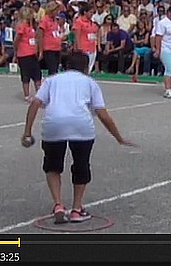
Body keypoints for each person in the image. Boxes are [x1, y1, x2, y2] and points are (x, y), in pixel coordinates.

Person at [21, 51, 135, 224]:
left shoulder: (52, 80)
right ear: (86, 67)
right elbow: (102, 114)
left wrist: (27, 132)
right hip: (81, 126)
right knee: (81, 165)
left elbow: (35, 103)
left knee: (52, 165)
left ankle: (58, 204)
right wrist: (119, 137)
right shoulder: (90, 83)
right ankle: (76, 209)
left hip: (54, 125)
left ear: (65, 66)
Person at [13, 6, 42, 102]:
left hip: (32, 52)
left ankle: (39, 94)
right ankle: (27, 95)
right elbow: (17, 40)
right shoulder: (22, 26)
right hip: (24, 54)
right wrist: (16, 52)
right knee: (26, 75)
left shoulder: (31, 26)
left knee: (37, 73)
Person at [73, 3, 100, 75]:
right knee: (83, 68)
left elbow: (96, 33)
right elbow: (77, 35)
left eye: (93, 13)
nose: (92, 14)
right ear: (85, 12)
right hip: (83, 48)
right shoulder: (79, 21)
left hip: (92, 48)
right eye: (90, 12)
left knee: (89, 68)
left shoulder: (92, 23)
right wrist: (78, 47)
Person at [37, 1, 62, 75]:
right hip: (49, 49)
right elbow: (40, 36)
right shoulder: (44, 20)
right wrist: (41, 51)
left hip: (57, 48)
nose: (58, 12)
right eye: (56, 10)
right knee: (52, 70)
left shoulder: (55, 21)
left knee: (56, 69)